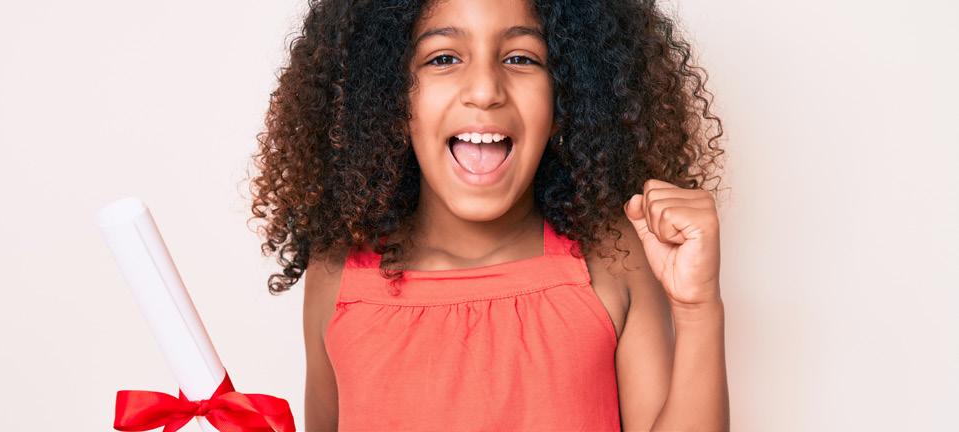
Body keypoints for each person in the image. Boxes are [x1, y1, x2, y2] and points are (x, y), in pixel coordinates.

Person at [249, 0, 729, 430]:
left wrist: (697, 309)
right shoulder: (337, 274)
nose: (484, 90)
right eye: (443, 58)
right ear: (388, 97)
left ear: (568, 95)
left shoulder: (613, 260)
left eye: (521, 58)